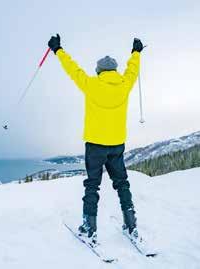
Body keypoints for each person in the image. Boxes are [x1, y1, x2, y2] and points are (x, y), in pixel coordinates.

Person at [48, 34, 144, 242]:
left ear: (99, 71)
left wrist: (58, 50)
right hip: (117, 143)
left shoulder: (91, 84)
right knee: (122, 183)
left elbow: (72, 69)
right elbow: (133, 70)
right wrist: (136, 52)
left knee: (92, 185)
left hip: (95, 145)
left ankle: (89, 228)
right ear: (115, 71)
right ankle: (131, 224)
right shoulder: (124, 84)